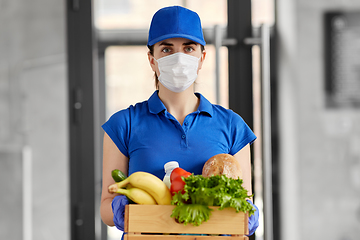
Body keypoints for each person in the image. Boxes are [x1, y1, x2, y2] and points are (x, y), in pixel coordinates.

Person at [100, 5, 259, 238]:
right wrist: (121, 210)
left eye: (188, 48)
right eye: (166, 49)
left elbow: (246, 200)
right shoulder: (123, 124)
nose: (178, 58)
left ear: (201, 58)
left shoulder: (232, 126)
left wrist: (249, 216)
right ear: (152, 60)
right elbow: (106, 204)